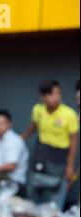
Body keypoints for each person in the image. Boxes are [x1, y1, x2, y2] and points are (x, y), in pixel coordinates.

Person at [21, 80, 79, 210]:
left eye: (58, 93)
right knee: (32, 197)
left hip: (59, 158)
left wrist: (70, 166)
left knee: (55, 201)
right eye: (52, 94)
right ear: (43, 97)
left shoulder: (69, 114)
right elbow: (33, 127)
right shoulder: (38, 110)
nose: (56, 97)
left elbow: (74, 141)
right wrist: (22, 138)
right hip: (41, 156)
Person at [0, 110, 29, 196]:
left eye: (1, 123)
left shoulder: (14, 140)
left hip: (14, 182)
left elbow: (11, 166)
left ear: (9, 124)